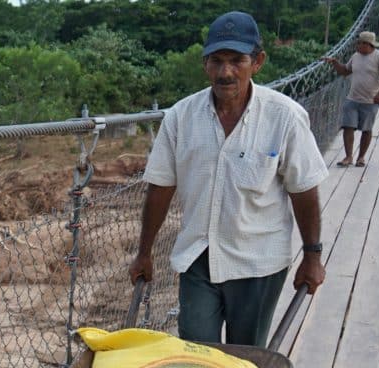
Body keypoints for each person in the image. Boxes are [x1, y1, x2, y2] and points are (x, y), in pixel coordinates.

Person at [128, 11, 328, 348]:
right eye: (217, 61)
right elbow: (160, 187)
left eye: (237, 60)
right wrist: (144, 251)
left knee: (244, 358)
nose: (226, 72)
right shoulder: (180, 117)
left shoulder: (285, 117)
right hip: (198, 257)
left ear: (258, 62)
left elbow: (304, 191)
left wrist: (312, 256)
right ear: (205, 64)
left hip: (259, 261)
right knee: (197, 352)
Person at [322, 31, 379, 167]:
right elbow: (344, 71)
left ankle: (361, 157)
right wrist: (335, 63)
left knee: (366, 129)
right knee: (348, 126)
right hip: (352, 99)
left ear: (367, 44)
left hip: (370, 101)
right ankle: (348, 157)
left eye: (359, 43)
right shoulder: (355, 56)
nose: (356, 45)